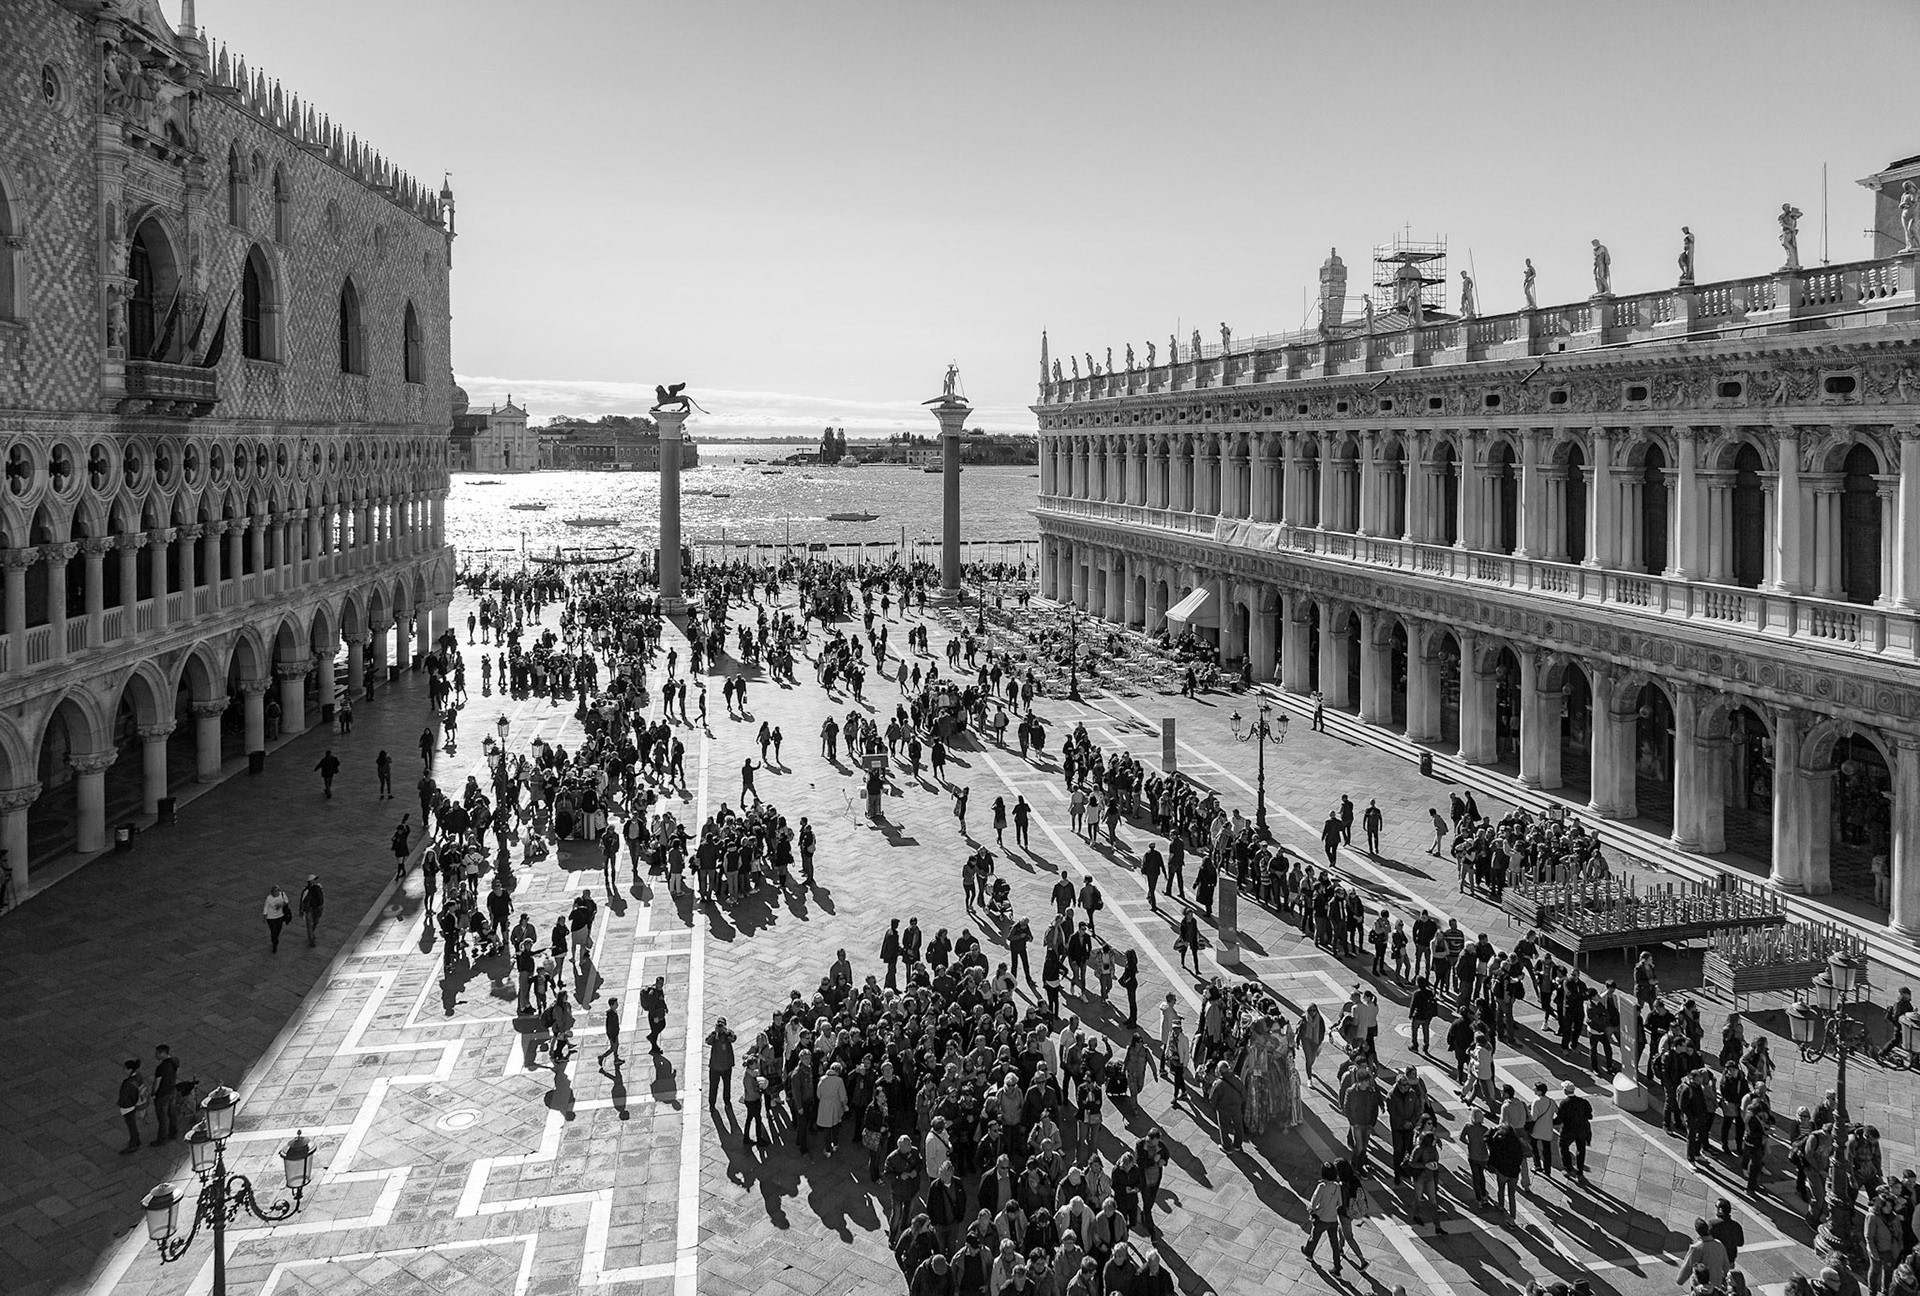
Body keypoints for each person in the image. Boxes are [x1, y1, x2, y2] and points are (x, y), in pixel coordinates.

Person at [1302, 1161, 1345, 1275]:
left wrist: (1311, 1209)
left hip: (1321, 1218)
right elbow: (1340, 1203)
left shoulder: (1321, 1187)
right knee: (1334, 1244)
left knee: (1314, 1236)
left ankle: (1308, 1252)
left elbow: (1314, 1202)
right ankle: (1337, 1267)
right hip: (1333, 1219)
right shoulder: (1337, 1186)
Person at [116, 1058, 145, 1154]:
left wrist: (121, 1103)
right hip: (136, 1104)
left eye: (125, 1068)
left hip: (128, 1106)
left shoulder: (127, 1083)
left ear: (129, 1069)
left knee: (131, 1125)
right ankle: (136, 1139)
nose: (123, 1069)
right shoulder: (138, 1077)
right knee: (132, 1124)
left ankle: (133, 1144)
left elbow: (125, 1096)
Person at [642, 975, 669, 1052]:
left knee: (661, 1026)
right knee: (655, 1031)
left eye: (662, 983)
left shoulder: (660, 990)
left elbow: (661, 1000)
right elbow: (651, 1006)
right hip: (654, 1014)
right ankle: (654, 1047)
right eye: (660, 983)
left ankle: (651, 1038)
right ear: (656, 983)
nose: (661, 985)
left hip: (660, 1012)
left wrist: (665, 1007)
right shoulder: (652, 993)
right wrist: (654, 1017)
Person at [263, 884, 293, 951]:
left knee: (278, 929)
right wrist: (265, 916)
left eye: (276, 891)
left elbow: (286, 901)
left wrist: (279, 906)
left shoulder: (282, 894)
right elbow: (266, 907)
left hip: (280, 916)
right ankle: (274, 943)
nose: (275, 893)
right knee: (273, 930)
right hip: (270, 918)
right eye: (274, 892)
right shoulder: (269, 898)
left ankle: (275, 938)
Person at [298, 874, 324, 947]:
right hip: (309, 909)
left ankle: (311, 933)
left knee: (316, 922)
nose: (316, 881)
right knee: (310, 924)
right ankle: (311, 940)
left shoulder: (319, 887)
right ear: (310, 881)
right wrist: (301, 910)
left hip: (317, 908)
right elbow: (302, 900)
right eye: (314, 880)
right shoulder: (306, 891)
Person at [598, 998, 622, 1069]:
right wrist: (613, 1036)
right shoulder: (611, 1015)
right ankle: (602, 1057)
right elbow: (610, 1027)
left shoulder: (613, 1012)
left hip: (615, 1033)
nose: (617, 1005)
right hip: (613, 1034)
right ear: (611, 1005)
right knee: (613, 1048)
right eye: (616, 1004)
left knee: (616, 1045)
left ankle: (616, 1059)